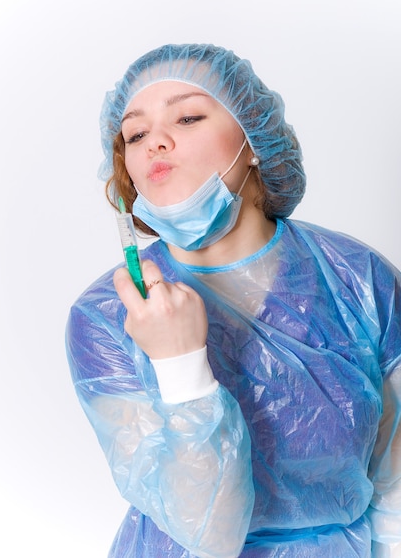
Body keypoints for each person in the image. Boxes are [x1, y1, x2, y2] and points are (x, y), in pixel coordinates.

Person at [65, 44, 401, 558]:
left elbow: (395, 477)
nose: (155, 141)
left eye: (188, 116)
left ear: (253, 141)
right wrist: (179, 366)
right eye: (134, 134)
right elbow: (209, 534)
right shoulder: (106, 318)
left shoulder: (357, 278)